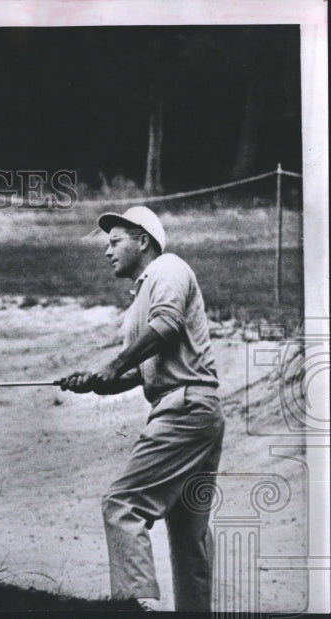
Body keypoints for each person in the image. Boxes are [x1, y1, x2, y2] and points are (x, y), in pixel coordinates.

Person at [59, 206, 223, 612]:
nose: (107, 251)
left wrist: (114, 365)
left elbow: (165, 327)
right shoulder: (143, 292)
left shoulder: (168, 268)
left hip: (185, 409)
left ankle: (132, 608)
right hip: (193, 409)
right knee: (188, 535)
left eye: (115, 242)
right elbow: (150, 368)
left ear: (143, 241)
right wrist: (99, 382)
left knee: (122, 504)